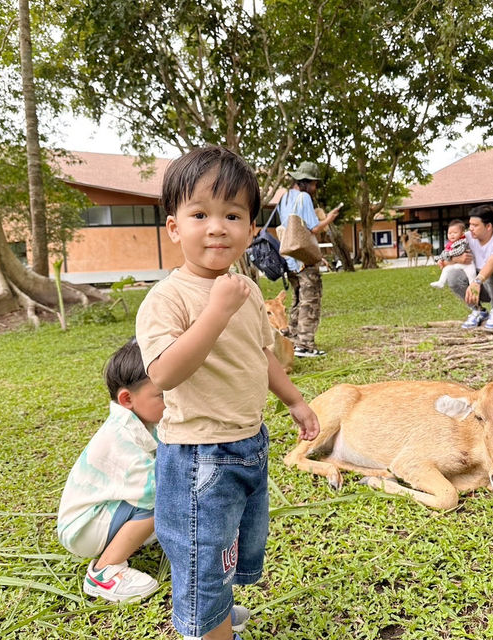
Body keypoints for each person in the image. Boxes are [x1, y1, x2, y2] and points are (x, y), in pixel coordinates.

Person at [135, 146, 320, 640]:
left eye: (233, 215)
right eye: (200, 214)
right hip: (199, 455)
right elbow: (165, 374)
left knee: (230, 544)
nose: (217, 227)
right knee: (203, 552)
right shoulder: (167, 299)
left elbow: (261, 355)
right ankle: (208, 623)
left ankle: (213, 609)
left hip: (248, 442)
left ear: (250, 227)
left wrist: (294, 399)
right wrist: (215, 312)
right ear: (174, 227)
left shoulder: (248, 289)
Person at [57, 338, 164, 602]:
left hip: (99, 515)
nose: (172, 401)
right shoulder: (122, 439)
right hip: (83, 528)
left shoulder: (140, 421)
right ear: (127, 398)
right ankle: (104, 572)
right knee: (161, 499)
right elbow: (157, 489)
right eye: (163, 395)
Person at [277, 161, 341, 357]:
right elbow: (312, 228)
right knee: (310, 301)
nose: (315, 188)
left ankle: (293, 342)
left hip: (289, 258)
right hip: (304, 258)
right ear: (305, 182)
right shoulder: (304, 197)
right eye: (314, 184)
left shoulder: (284, 198)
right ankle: (305, 344)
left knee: (298, 300)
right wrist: (329, 218)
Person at [443, 205, 493, 330]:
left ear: (488, 226)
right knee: (453, 275)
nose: (471, 229)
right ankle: (478, 311)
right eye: (470, 224)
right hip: (481, 287)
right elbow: (442, 260)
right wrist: (457, 259)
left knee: (492, 270)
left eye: (475, 225)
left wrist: (477, 281)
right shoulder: (466, 238)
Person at [430, 219, 476, 288]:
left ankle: (473, 285)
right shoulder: (449, 244)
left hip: (467, 264)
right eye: (449, 233)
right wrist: (440, 259)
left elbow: (459, 251)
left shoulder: (462, 241)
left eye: (455, 232)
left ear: (462, 233)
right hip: (457, 264)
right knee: (446, 269)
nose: (452, 235)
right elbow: (444, 253)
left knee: (471, 273)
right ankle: (441, 282)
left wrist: (448, 254)